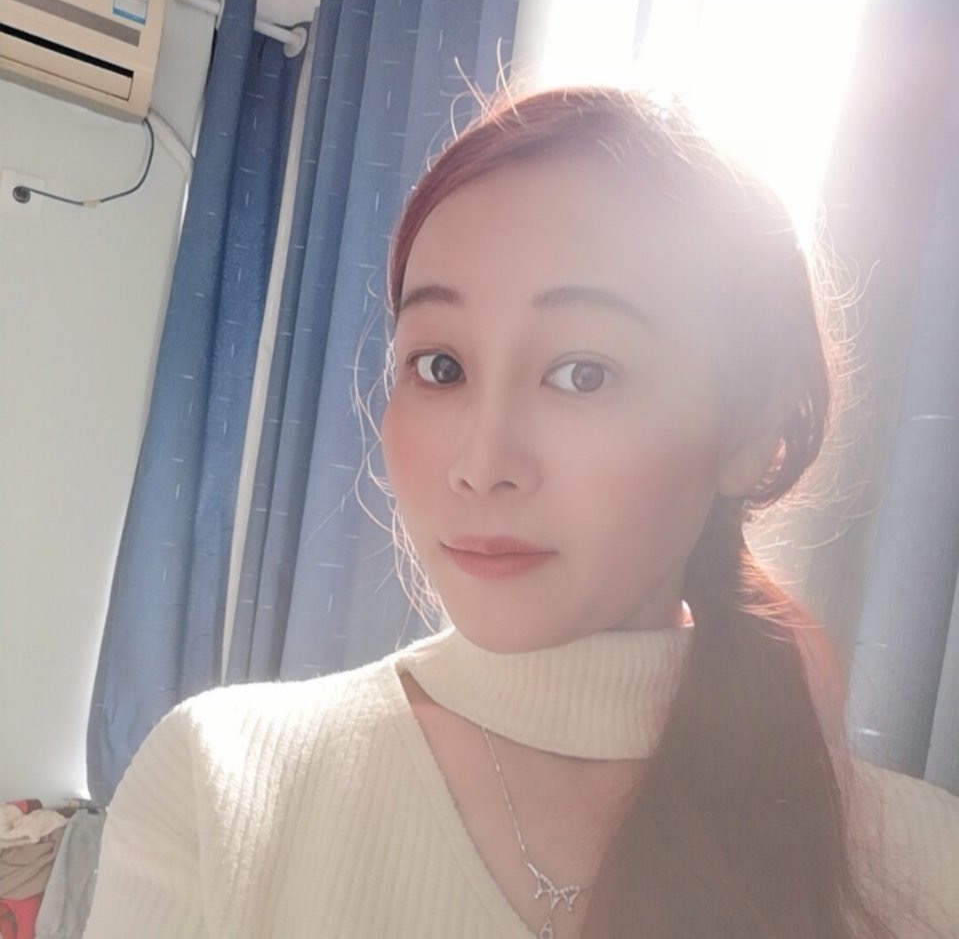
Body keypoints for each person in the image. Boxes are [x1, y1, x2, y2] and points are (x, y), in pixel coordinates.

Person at [82, 87, 959, 939]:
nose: (480, 464)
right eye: (440, 367)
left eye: (582, 372)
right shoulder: (222, 786)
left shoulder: (924, 869)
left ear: (749, 432)